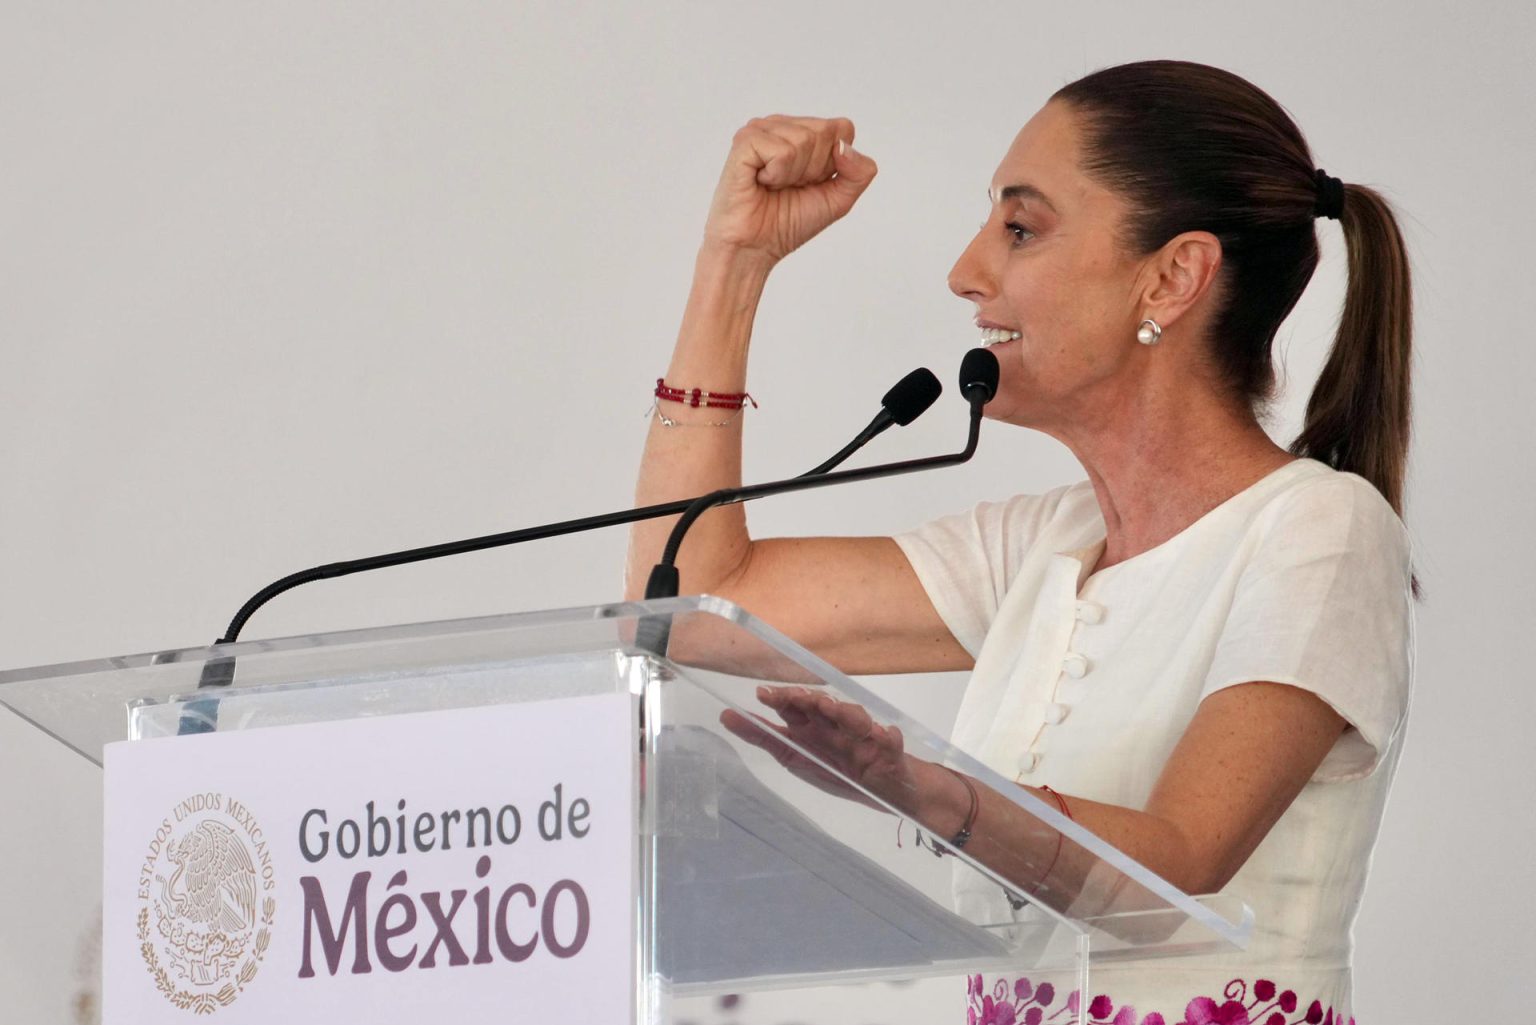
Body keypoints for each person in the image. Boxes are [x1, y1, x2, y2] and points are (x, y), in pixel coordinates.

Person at [626, 60, 1414, 1024]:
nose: (967, 273)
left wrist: (928, 792)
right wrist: (732, 268)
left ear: (1172, 277)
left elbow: (1180, 861)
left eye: (1021, 228)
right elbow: (690, 605)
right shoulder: (1043, 546)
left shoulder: (1319, 532)